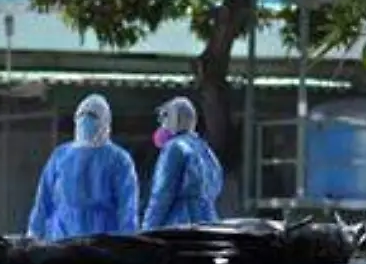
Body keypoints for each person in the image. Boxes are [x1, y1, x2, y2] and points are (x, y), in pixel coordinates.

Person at [28, 94, 140, 241]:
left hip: (103, 243)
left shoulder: (119, 160)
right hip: (61, 239)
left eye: (93, 115)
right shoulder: (60, 156)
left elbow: (127, 208)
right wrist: (33, 234)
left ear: (105, 121)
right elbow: (43, 200)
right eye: (81, 114)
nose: (85, 119)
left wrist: (128, 243)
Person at [143, 96, 224, 229]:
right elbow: (217, 185)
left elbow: (162, 194)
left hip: (181, 224)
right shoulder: (204, 148)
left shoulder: (174, 148)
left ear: (175, 119)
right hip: (209, 222)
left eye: (165, 119)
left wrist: (148, 229)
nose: (162, 126)